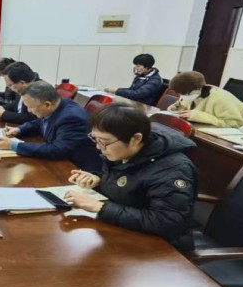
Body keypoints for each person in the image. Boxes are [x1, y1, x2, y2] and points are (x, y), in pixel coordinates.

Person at [64, 104, 198, 251]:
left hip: (162, 248)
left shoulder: (173, 169)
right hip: (124, 230)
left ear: (136, 139)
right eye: (95, 138)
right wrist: (98, 181)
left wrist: (100, 207)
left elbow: (167, 222)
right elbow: (129, 183)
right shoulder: (124, 152)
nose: (98, 146)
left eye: (104, 141)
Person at [0, 81, 101, 172]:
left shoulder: (71, 118)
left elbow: (58, 149)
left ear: (47, 105)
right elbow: (39, 122)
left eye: (31, 107)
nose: (29, 111)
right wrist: (19, 130)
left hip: (78, 169)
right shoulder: (56, 106)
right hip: (60, 162)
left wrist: (14, 145)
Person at [166, 70, 243, 128]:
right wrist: (175, 109)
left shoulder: (221, 99)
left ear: (198, 89)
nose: (182, 96)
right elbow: (182, 107)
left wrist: (199, 116)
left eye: (184, 94)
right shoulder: (190, 92)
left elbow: (235, 125)